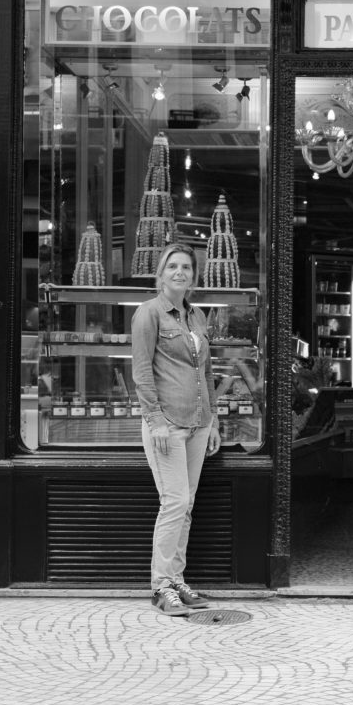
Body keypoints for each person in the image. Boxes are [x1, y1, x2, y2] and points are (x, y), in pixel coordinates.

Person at [131, 241, 221, 616]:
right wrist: (156, 421)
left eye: (186, 267)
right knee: (175, 503)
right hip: (167, 425)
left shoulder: (196, 316)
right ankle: (161, 586)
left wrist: (213, 419)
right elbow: (141, 371)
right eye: (172, 267)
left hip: (198, 424)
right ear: (161, 274)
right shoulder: (148, 314)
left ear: (193, 277)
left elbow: (206, 371)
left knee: (186, 507)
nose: (179, 272)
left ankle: (177, 579)